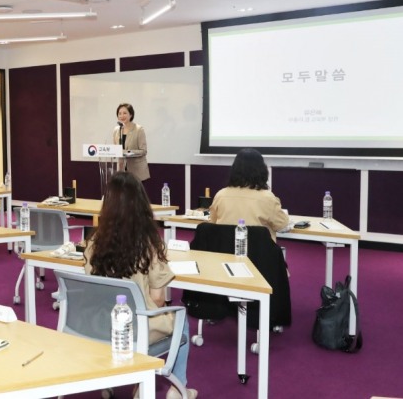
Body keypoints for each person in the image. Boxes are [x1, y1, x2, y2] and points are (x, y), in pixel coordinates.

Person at [84, 171, 196, 399]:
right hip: (136, 328)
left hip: (98, 324)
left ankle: (111, 382)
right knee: (181, 319)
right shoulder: (148, 246)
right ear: (141, 205)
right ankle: (177, 388)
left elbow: (92, 286)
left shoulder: (93, 243)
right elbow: (157, 299)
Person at [209, 148, 289, 240]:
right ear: (262, 170)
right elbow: (282, 227)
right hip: (259, 253)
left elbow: (213, 223)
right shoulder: (267, 198)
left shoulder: (221, 195)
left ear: (234, 170)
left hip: (226, 252)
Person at [113, 103, 150, 182]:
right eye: (119, 113)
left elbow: (143, 151)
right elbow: (115, 149)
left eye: (125, 113)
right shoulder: (116, 130)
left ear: (131, 115)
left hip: (137, 171)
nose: (122, 116)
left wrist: (127, 153)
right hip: (121, 170)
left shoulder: (139, 129)